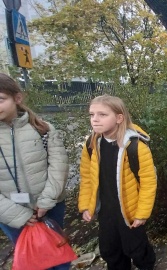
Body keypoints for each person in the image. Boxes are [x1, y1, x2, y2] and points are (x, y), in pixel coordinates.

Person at [78, 95, 157, 270]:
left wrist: (142, 213)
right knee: (110, 251)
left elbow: (148, 182)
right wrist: (86, 205)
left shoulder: (135, 146)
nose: (95, 119)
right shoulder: (91, 144)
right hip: (106, 213)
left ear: (119, 118)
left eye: (102, 115)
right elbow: (87, 177)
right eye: (92, 114)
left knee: (138, 250)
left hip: (129, 212)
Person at [0, 73, 70, 269]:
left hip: (50, 206)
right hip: (11, 213)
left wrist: (47, 200)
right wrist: (15, 214)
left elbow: (59, 165)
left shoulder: (42, 129)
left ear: (17, 98)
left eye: (0, 99)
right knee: (32, 260)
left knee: (59, 254)